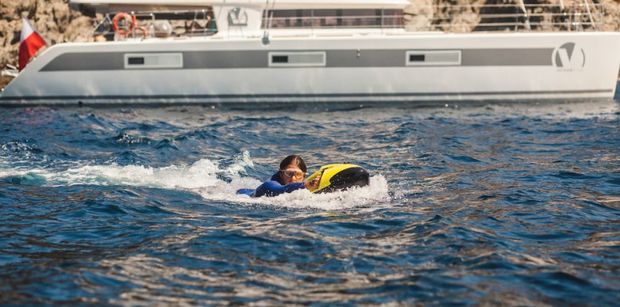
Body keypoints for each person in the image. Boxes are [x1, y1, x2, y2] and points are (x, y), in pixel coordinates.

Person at [238, 155, 320, 197]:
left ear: (304, 176)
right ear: (281, 174)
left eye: (298, 174)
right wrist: (306, 185)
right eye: (288, 173)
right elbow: (282, 189)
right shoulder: (268, 185)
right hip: (243, 194)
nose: (293, 178)